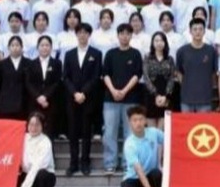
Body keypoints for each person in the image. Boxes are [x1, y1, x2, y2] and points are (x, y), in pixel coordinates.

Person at [102, 24, 143, 174]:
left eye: (127, 34)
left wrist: (124, 91)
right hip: (110, 99)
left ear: (131, 36)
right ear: (118, 35)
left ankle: (128, 163)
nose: (125, 36)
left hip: (130, 99)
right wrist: (113, 90)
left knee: (130, 133)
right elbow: (105, 74)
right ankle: (110, 163)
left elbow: (137, 75)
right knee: (109, 133)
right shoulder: (110, 54)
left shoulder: (135, 54)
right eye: (122, 33)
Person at [63, 23, 103, 176]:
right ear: (76, 34)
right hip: (72, 98)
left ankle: (85, 162)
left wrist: (84, 93)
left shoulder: (96, 53)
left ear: (89, 35)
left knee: (87, 132)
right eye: (79, 32)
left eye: (85, 32)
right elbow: (66, 77)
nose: (82, 35)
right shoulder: (69, 54)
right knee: (73, 132)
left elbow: (96, 76)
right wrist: (75, 93)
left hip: (88, 98)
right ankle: (73, 163)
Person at [117, 106, 164, 187]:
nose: (138, 123)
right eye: (135, 120)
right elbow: (139, 171)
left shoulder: (154, 133)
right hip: (134, 177)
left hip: (151, 175)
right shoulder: (129, 144)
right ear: (130, 122)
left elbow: (170, 140)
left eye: (141, 119)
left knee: (157, 174)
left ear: (145, 121)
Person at [15, 112, 56, 187]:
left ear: (42, 126)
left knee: (42, 175)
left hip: (43, 176)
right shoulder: (22, 138)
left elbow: (35, 169)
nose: (33, 128)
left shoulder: (45, 142)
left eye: (37, 125)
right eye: (31, 124)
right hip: (26, 175)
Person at [177, 18, 218, 113]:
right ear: (190, 31)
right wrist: (186, 84)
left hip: (205, 98)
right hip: (187, 98)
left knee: (203, 122)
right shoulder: (182, 51)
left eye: (200, 29)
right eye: (195, 29)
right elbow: (178, 71)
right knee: (187, 122)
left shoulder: (211, 50)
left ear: (204, 31)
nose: (198, 32)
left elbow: (213, 73)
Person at [25, 36, 63, 137]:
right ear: (37, 47)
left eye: (47, 45)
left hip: (51, 101)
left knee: (50, 132)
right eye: (42, 45)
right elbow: (28, 83)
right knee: (34, 130)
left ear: (51, 47)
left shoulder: (57, 63)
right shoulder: (31, 63)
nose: (44, 48)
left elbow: (57, 82)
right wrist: (38, 97)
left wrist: (45, 96)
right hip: (34, 102)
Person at [143, 32, 176, 126]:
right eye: (156, 41)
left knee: (163, 129)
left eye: (161, 40)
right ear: (152, 43)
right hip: (150, 95)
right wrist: (156, 95)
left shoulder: (169, 59)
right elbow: (146, 77)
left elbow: (171, 78)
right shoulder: (147, 58)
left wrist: (165, 96)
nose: (159, 43)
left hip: (166, 94)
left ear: (165, 43)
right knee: (152, 130)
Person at [0, 35, 30, 121]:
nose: (15, 48)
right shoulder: (2, 64)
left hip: (23, 103)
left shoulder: (28, 63)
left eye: (17, 45)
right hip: (6, 103)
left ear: (22, 47)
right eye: (12, 45)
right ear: (8, 48)